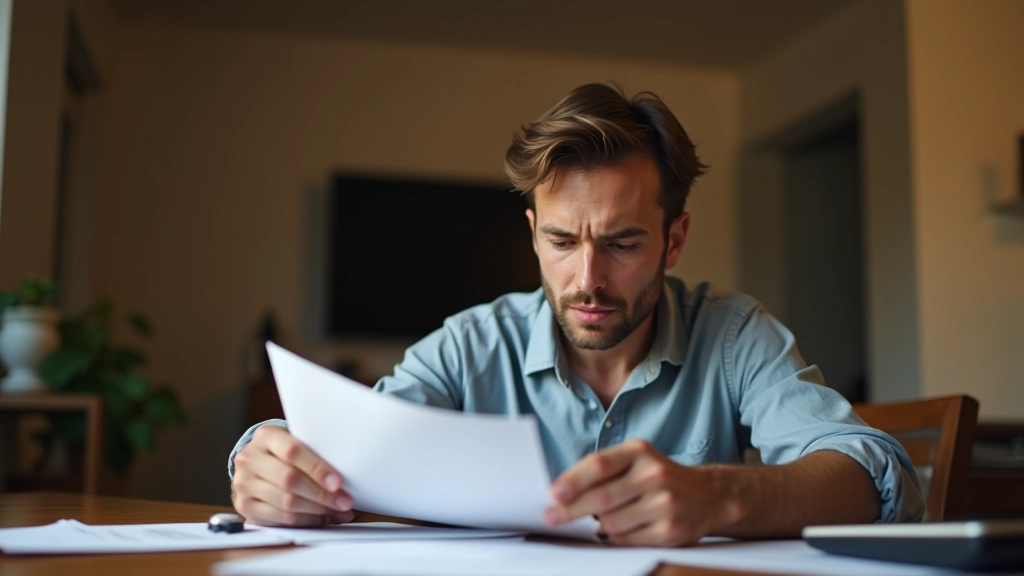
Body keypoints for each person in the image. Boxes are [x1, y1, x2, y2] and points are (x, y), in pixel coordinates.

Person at [227, 83, 924, 547]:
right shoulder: (471, 344)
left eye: (622, 244)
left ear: (674, 239)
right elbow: (354, 446)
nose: (587, 281)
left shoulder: (736, 335)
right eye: (562, 242)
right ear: (534, 235)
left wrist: (718, 496)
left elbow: (873, 474)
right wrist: (267, 458)